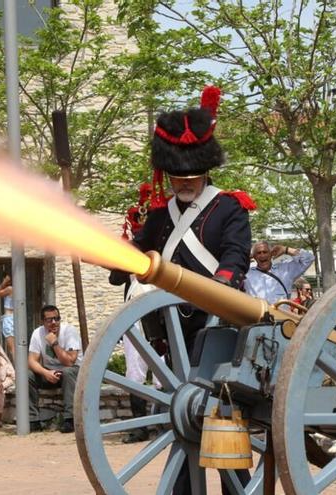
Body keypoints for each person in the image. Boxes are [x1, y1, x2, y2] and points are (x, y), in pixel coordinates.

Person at [108, 85, 253, 493]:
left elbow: (235, 255)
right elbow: (139, 253)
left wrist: (221, 287)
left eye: (191, 177)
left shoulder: (230, 207)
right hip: (174, 333)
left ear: (206, 172)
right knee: (182, 415)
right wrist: (114, 258)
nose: (184, 184)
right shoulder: (160, 214)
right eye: (178, 177)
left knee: (223, 420)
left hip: (219, 328)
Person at [27, 305, 81, 433]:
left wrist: (54, 343)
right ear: (43, 321)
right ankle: (33, 420)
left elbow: (69, 361)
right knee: (27, 375)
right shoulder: (37, 333)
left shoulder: (69, 331)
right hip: (51, 372)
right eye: (49, 320)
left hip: (72, 371)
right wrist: (46, 373)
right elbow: (31, 361)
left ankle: (70, 419)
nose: (54, 323)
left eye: (57, 319)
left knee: (67, 372)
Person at [244, 241, 314, 305]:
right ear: (254, 257)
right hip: (257, 317)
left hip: (283, 317)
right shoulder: (247, 274)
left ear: (271, 254)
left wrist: (286, 249)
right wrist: (244, 257)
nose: (262, 255)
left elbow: (309, 258)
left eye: (265, 252)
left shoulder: (285, 269)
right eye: (258, 253)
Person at [0, 274, 15, 360]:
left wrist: (3, 283)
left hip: (9, 318)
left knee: (12, 348)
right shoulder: (18, 289)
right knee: (16, 347)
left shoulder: (10, 289)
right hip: (14, 317)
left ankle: (18, 371)